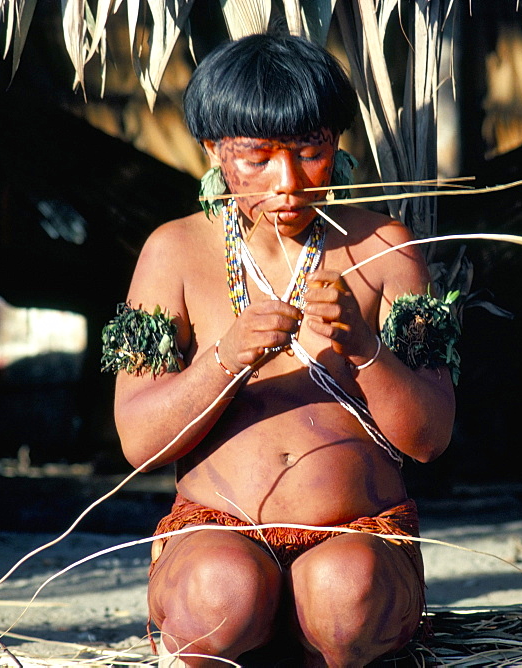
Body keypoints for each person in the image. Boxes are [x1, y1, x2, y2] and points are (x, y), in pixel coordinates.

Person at [105, 31, 457, 667]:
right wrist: (228, 356)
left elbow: (429, 438)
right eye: (257, 157)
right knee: (222, 591)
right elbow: (138, 442)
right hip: (214, 532)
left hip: (361, 535)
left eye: (310, 153)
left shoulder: (384, 250)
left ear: (336, 144)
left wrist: (366, 350)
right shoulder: (176, 252)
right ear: (214, 151)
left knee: (344, 594)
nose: (288, 182)